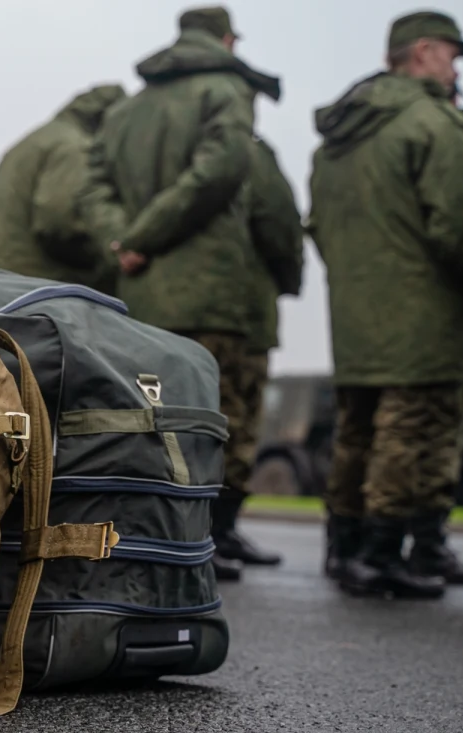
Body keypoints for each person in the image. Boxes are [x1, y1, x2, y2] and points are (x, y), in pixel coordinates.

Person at [79, 6, 282, 581]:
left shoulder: (123, 112)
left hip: (141, 296)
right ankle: (209, 542)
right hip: (212, 291)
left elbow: (91, 184)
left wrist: (123, 240)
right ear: (225, 39)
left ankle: (153, 542)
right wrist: (145, 234)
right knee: (222, 419)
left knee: (153, 419)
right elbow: (221, 169)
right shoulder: (227, 89)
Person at [309, 10, 463, 598]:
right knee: (416, 431)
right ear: (425, 51)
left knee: (359, 430)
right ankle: (386, 556)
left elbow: (321, 226)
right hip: (425, 307)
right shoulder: (431, 121)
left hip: (358, 309)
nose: (454, 66)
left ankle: (348, 550)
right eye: (452, 54)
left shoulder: (341, 132)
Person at [0, 84, 125, 293]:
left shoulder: (36, 139)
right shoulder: (74, 147)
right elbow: (57, 221)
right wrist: (105, 258)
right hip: (28, 282)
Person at [235, 131, 305, 558]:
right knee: (235, 423)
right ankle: (219, 532)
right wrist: (290, 277)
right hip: (237, 307)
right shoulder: (246, 148)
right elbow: (280, 222)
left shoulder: (138, 132)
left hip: (155, 307)